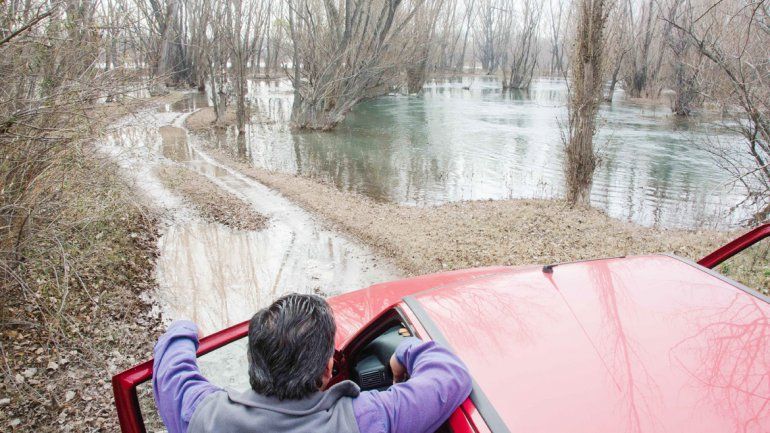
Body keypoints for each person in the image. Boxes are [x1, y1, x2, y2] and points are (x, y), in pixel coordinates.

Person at [153, 293, 472, 433]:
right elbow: (450, 375)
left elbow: (171, 369)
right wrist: (405, 352)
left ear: (253, 360)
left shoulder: (201, 414)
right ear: (327, 370)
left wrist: (184, 330)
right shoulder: (364, 419)